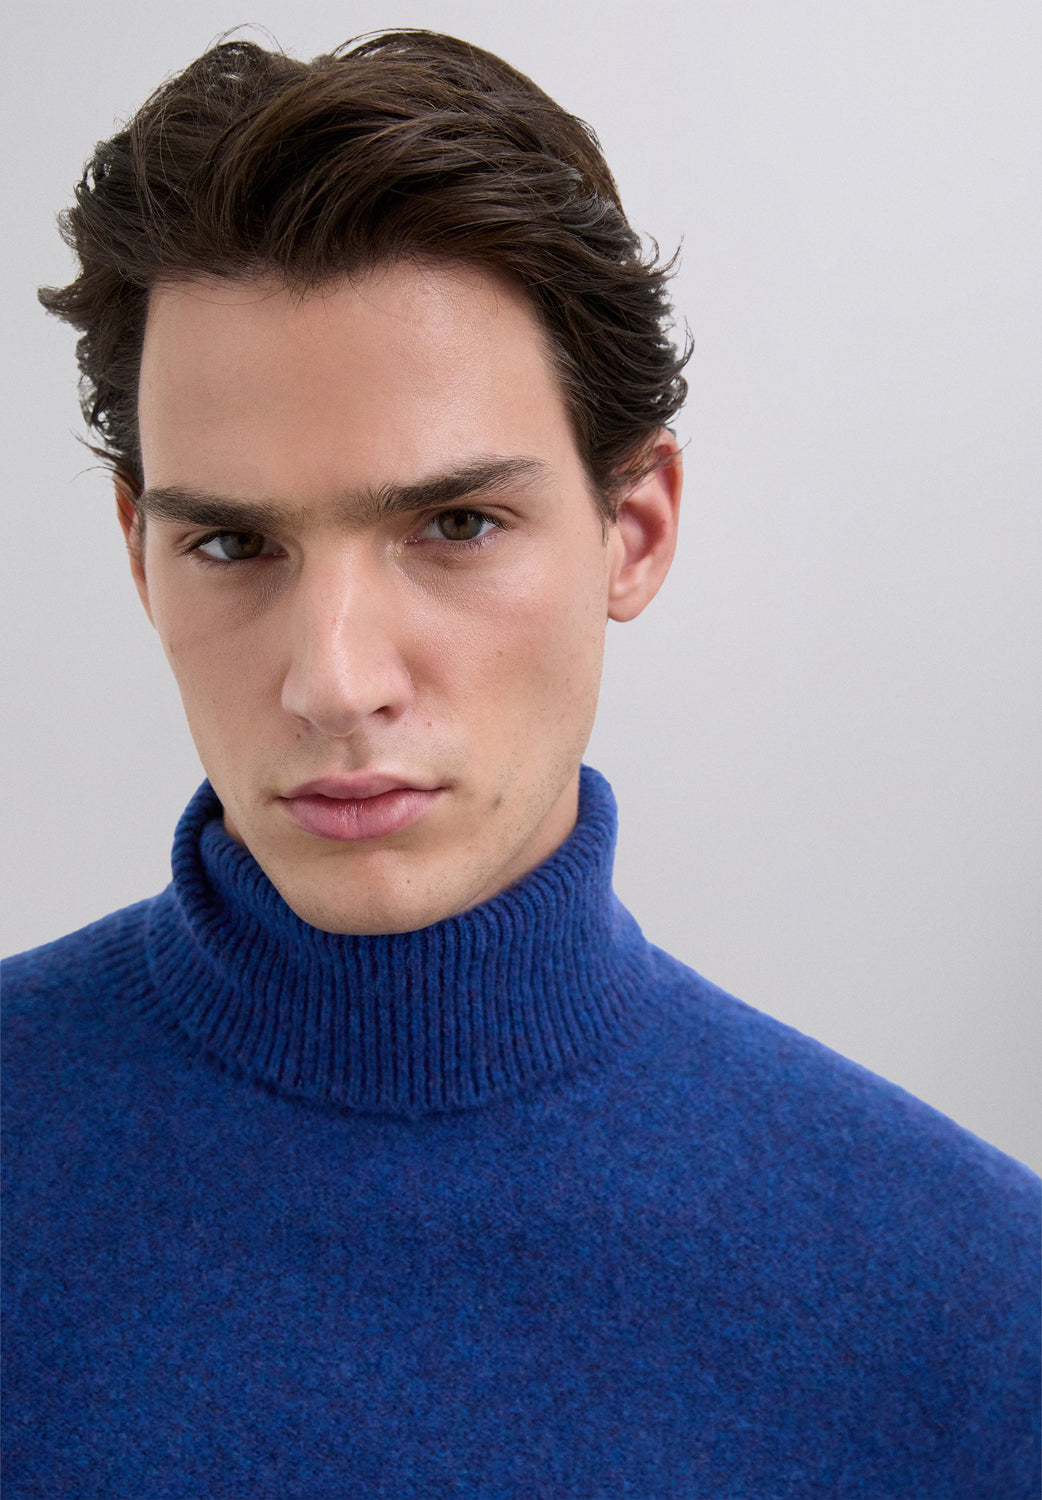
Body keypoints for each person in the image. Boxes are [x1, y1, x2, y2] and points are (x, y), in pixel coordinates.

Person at [2, 28, 1037, 1497]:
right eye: (232, 543)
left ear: (636, 529)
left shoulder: (972, 1307)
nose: (333, 681)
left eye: (456, 526)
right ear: (137, 552)